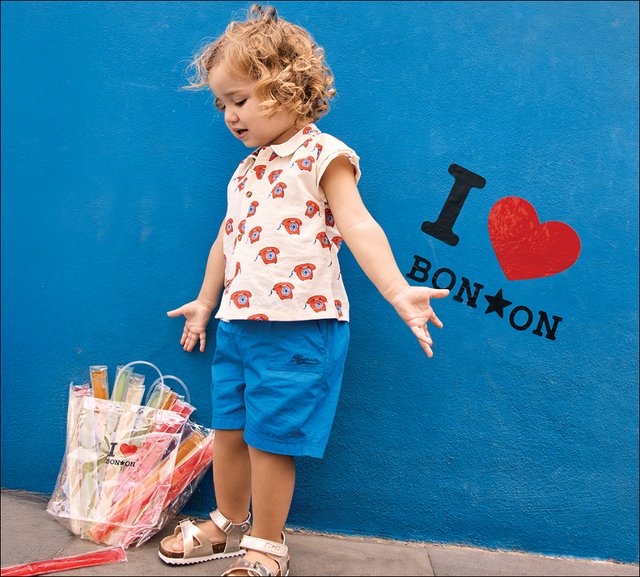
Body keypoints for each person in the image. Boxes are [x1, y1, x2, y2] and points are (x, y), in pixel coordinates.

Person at [159, 5, 449, 576]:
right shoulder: (246, 171)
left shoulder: (323, 154)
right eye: (221, 105)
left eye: (239, 99)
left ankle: (267, 545)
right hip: (238, 325)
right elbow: (226, 239)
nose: (229, 115)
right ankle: (228, 521)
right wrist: (206, 302)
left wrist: (397, 290)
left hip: (298, 326)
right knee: (229, 431)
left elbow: (358, 224)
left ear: (287, 88)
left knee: (271, 440)